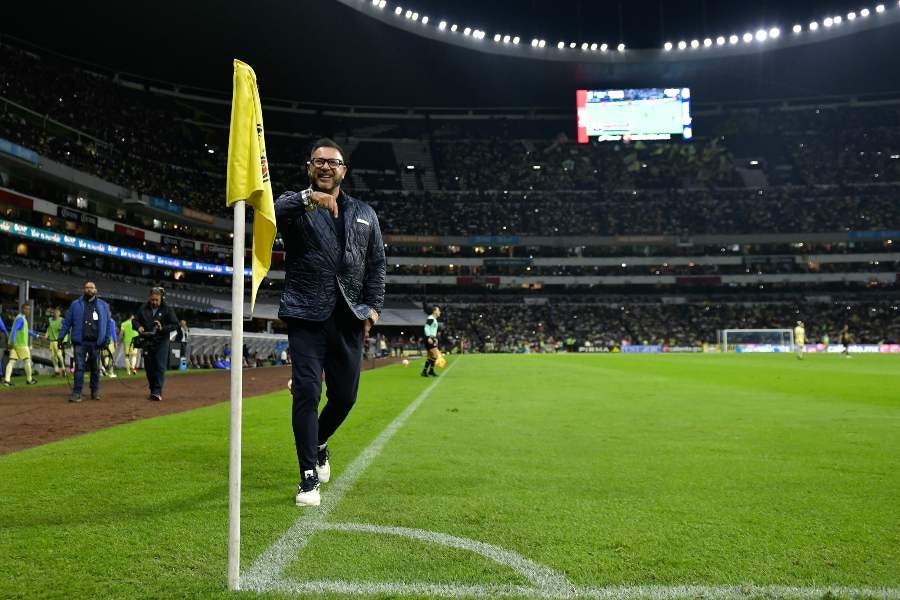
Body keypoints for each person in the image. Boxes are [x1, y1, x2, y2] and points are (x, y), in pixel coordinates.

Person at [275, 137, 385, 507]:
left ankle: (319, 442)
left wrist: (372, 308)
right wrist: (308, 199)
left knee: (345, 397)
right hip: (305, 314)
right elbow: (272, 212)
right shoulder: (296, 206)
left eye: (333, 163)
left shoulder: (365, 213)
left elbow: (377, 265)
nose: (325, 167)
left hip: (348, 317)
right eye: (318, 162)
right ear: (309, 167)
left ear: (343, 171)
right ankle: (308, 478)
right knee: (307, 391)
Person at [58, 282, 112, 402]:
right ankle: (77, 393)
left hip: (96, 342)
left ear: (96, 290)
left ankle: (94, 391)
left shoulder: (103, 305)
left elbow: (108, 324)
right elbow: (67, 322)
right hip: (80, 341)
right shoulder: (75, 304)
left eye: (91, 288)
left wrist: (107, 339)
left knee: (95, 368)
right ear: (84, 289)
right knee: (79, 367)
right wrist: (61, 337)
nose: (89, 290)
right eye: (87, 288)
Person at [132, 287, 179, 401]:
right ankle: (153, 390)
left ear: (161, 298)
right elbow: (134, 320)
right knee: (149, 368)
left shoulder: (167, 309)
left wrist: (162, 327)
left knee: (159, 366)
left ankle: (157, 392)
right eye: (152, 300)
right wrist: (139, 327)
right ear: (149, 298)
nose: (154, 302)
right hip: (147, 340)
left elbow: (175, 325)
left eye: (156, 300)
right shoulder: (143, 307)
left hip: (161, 341)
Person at [3, 303, 38, 386]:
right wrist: (11, 342)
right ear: (22, 309)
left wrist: (36, 335)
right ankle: (29, 379)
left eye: (29, 309)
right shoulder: (21, 319)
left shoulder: (20, 318)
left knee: (11, 361)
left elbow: (25, 330)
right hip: (21, 344)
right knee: (27, 360)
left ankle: (6, 381)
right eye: (26, 309)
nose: (28, 311)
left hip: (15, 344)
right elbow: (14, 330)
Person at [421, 304, 441, 377]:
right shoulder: (431, 318)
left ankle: (426, 371)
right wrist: (429, 337)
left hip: (431, 338)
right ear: (434, 311)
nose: (440, 312)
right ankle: (429, 371)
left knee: (431, 356)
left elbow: (432, 330)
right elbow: (426, 327)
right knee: (435, 355)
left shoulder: (434, 319)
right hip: (429, 338)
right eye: (438, 310)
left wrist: (435, 338)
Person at [46, 308, 65, 377]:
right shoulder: (50, 320)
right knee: (53, 357)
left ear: (59, 313)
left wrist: (61, 328)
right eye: (54, 312)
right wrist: (46, 334)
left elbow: (64, 328)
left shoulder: (62, 320)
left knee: (59, 355)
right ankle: (56, 370)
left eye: (57, 312)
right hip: (52, 341)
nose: (55, 313)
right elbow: (49, 328)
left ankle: (63, 369)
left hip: (59, 340)